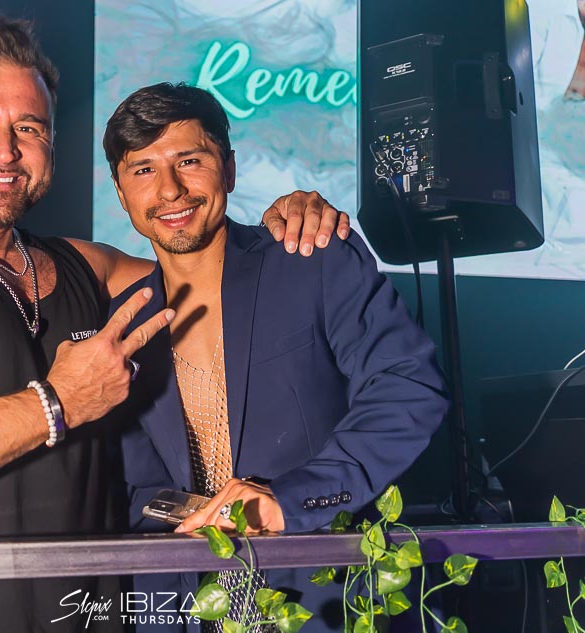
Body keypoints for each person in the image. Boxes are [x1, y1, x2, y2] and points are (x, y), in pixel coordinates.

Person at [0, 16, 349, 633]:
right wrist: (58, 403)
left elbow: (216, 261)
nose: (5, 150)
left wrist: (292, 220)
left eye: (29, 128)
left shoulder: (87, 267)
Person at [102, 83, 449, 632]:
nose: (170, 189)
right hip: (191, 609)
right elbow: (132, 488)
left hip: (328, 602)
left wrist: (292, 500)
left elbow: (408, 388)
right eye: (143, 169)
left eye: (189, 161)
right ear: (121, 194)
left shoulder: (309, 257)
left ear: (229, 169)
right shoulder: (121, 327)